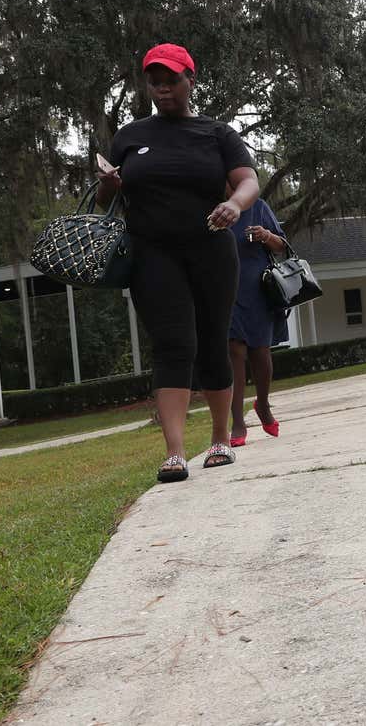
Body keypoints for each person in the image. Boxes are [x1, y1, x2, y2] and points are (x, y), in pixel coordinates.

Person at [97, 43, 260, 483]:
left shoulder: (217, 134)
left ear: (190, 80)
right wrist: (110, 184)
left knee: (212, 340)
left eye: (171, 80)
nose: (163, 89)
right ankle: (174, 452)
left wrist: (234, 205)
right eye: (155, 82)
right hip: (152, 254)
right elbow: (104, 200)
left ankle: (221, 438)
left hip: (210, 249)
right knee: (172, 344)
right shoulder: (130, 136)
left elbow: (248, 181)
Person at [227, 199, 289, 446]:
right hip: (225, 289)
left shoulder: (257, 207)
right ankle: (237, 422)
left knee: (260, 354)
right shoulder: (211, 206)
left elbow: (281, 246)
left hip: (257, 289)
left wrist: (265, 235)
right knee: (234, 350)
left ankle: (262, 404)